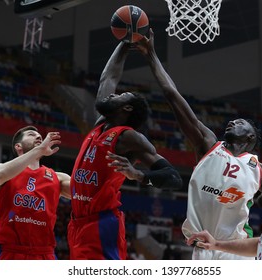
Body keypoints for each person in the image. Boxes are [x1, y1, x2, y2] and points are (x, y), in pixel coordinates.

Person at [136, 29, 262, 260]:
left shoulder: (260, 169)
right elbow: (172, 95)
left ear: (250, 138)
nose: (232, 122)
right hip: (201, 248)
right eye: (232, 119)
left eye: (240, 123)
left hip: (236, 251)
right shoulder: (208, 144)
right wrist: (151, 55)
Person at [67, 41, 183, 260]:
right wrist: (124, 43)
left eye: (120, 96)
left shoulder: (128, 137)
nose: (112, 95)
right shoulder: (100, 125)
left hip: (101, 224)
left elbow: (174, 178)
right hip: (77, 222)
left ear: (127, 108)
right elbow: (108, 78)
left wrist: (138, 174)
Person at [0, 126, 71, 260]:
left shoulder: (57, 177)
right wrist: (39, 149)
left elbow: (85, 191)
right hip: (11, 252)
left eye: (40, 136)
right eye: (31, 134)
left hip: (45, 254)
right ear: (18, 146)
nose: (39, 137)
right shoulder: (5, 171)